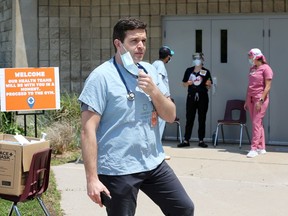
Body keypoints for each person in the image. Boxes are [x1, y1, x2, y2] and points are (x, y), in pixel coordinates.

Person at [78, 17, 194, 216]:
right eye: (134, 41)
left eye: (144, 41)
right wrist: (91, 179)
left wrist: (154, 92)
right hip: (118, 168)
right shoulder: (101, 77)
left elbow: (170, 115)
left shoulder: (150, 71)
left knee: (183, 208)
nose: (141, 46)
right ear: (118, 44)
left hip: (153, 162)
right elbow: (87, 130)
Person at [178, 52, 212, 148]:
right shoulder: (189, 70)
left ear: (202, 60)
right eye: (195, 58)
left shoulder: (206, 71)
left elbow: (208, 86)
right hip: (191, 96)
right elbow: (184, 84)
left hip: (202, 96)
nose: (197, 60)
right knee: (189, 118)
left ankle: (201, 140)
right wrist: (188, 83)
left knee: (202, 118)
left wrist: (208, 84)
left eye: (198, 58)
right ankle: (186, 140)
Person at [244, 48, 273, 158]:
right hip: (251, 98)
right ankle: (261, 147)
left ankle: (254, 148)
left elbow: (268, 87)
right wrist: (247, 100)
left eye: (251, 57)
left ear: (257, 57)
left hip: (260, 98)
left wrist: (261, 100)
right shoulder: (252, 69)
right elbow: (249, 85)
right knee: (257, 123)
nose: (249, 59)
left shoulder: (266, 69)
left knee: (256, 123)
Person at [152, 46, 174, 160]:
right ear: (167, 56)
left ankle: (156, 151)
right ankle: (158, 153)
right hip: (161, 100)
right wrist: (166, 97)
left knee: (156, 127)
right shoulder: (160, 65)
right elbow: (159, 81)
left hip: (157, 99)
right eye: (170, 56)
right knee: (160, 126)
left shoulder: (155, 63)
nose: (170, 58)